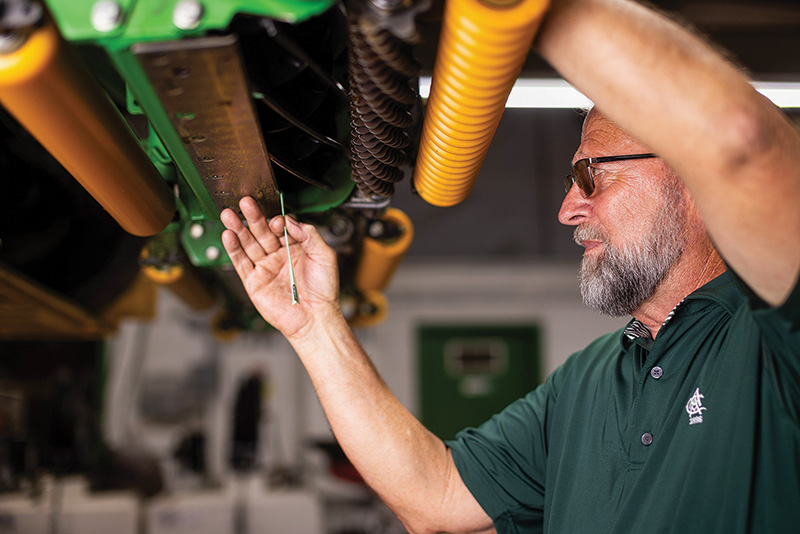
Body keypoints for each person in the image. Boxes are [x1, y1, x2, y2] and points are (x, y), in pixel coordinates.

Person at [220, 0, 800, 531]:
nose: (567, 210)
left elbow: (743, 143)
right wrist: (316, 327)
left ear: (693, 176)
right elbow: (436, 495)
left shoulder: (773, 342)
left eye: (589, 177)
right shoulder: (590, 378)